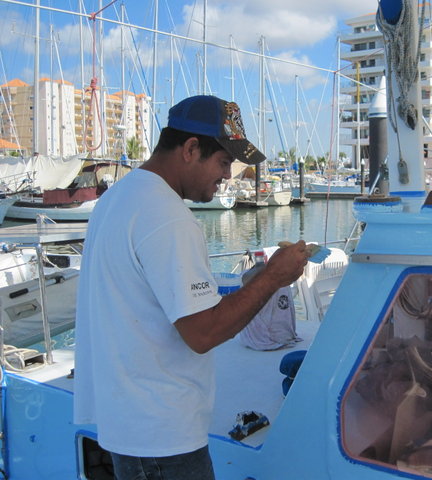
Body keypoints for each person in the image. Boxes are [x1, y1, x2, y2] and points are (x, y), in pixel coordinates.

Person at [73, 95, 310, 480]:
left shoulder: (117, 198)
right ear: (190, 149)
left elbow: (149, 306)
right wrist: (273, 278)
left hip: (126, 427)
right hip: (162, 441)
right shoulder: (167, 217)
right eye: (223, 161)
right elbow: (202, 333)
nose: (228, 175)